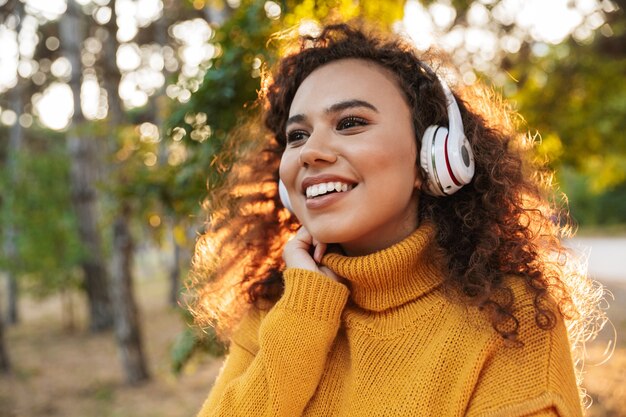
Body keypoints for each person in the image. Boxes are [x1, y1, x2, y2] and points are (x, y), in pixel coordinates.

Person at [191, 22, 604, 417]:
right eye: (297, 135)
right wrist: (304, 315)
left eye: (350, 123)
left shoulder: (510, 316)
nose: (309, 152)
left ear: (435, 158)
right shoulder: (276, 308)